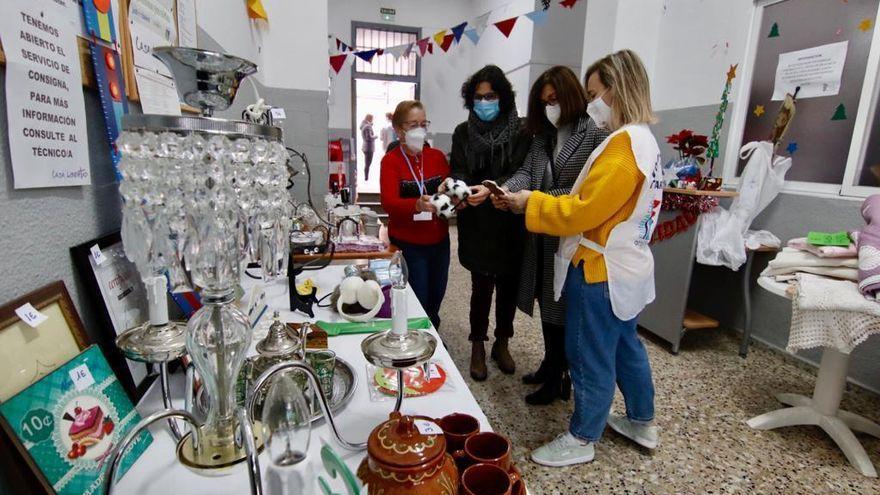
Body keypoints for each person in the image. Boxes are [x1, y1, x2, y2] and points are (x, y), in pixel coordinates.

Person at [502, 50, 663, 467]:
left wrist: (529, 205)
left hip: (600, 270)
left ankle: (581, 436)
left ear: (617, 89)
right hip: (629, 266)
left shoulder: (624, 146)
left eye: (595, 94)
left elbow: (583, 210)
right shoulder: (644, 141)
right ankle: (642, 421)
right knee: (626, 346)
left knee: (588, 353)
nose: (592, 104)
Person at [492, 66, 609, 405]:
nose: (549, 107)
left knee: (563, 310)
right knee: (547, 304)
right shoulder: (544, 135)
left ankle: (561, 376)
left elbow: (582, 193)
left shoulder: (594, 134)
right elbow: (527, 172)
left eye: (555, 100)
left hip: (570, 237)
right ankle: (550, 363)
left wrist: (529, 200)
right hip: (540, 236)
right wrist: (505, 191)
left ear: (572, 96)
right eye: (543, 102)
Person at [450, 65, 532, 381]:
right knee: (481, 287)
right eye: (478, 97)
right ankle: (477, 345)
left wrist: (495, 186)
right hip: (477, 222)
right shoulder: (462, 132)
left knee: (508, 287)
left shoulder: (522, 131)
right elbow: (457, 169)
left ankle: (502, 342)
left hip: (510, 218)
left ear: (504, 97)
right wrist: (464, 189)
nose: (484, 102)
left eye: (491, 96)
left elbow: (523, 170)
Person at [379, 101, 450, 329]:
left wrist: (454, 198)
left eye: (423, 123)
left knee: (437, 294)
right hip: (410, 243)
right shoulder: (391, 161)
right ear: (399, 130)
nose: (420, 129)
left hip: (439, 240)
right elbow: (389, 203)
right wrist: (416, 205)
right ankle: (417, 334)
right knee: (418, 295)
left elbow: (447, 192)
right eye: (413, 125)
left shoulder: (437, 157)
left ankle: (433, 334)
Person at [360, 114, 377, 180]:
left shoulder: (364, 125)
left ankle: (366, 177)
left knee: (367, 163)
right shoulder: (367, 126)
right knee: (368, 163)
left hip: (365, 147)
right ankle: (366, 177)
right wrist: (375, 136)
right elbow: (369, 137)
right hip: (369, 147)